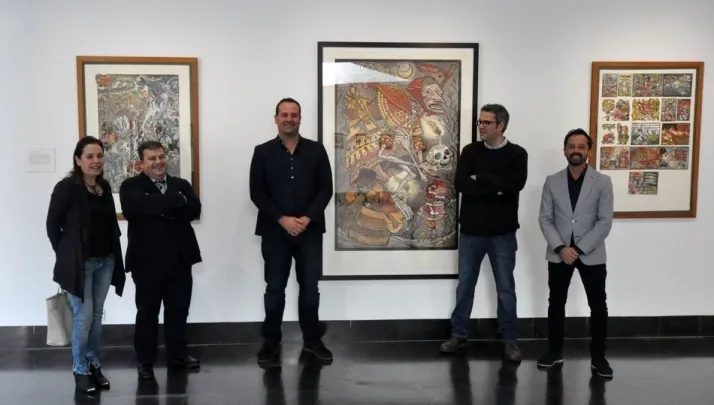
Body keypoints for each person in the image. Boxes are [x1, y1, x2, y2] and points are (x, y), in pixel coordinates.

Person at [439, 104, 528, 362]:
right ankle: (458, 334)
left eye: (487, 122)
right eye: (480, 121)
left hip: (502, 233)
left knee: (505, 288)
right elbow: (461, 183)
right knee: (465, 286)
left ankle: (510, 339)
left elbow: (515, 185)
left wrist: (481, 178)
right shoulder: (470, 151)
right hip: (471, 231)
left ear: (501, 126)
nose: (481, 126)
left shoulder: (517, 154)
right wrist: (495, 188)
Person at [249, 97, 334, 364]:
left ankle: (312, 341)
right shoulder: (262, 152)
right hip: (275, 233)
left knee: (310, 289)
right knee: (275, 289)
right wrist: (282, 219)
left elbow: (326, 189)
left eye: (293, 115)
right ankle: (271, 342)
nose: (289, 119)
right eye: (284, 114)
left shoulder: (317, 150)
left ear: (300, 118)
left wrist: (306, 218)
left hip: (310, 233)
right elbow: (256, 192)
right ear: (276, 118)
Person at [46, 136, 126, 393]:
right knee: (84, 317)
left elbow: (110, 225)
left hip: (106, 261)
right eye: (89, 156)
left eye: (99, 156)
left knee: (97, 316)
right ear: (78, 160)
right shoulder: (66, 188)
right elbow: (52, 225)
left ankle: (93, 364)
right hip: (80, 264)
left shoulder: (104, 187)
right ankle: (80, 368)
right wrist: (65, 254)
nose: (96, 161)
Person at [119, 140, 202, 379]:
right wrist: (174, 202)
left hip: (180, 259)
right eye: (152, 158)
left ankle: (178, 355)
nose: (158, 162)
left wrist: (156, 207)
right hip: (146, 262)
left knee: (178, 311)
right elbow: (135, 208)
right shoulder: (130, 186)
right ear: (141, 163)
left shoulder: (181, 184)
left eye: (161, 157)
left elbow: (194, 210)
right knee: (147, 313)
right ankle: (145, 361)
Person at [536, 128, 614, 378]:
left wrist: (578, 249)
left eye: (581, 146)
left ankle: (599, 358)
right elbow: (545, 218)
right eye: (572, 146)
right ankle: (554, 352)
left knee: (598, 306)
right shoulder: (552, 181)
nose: (576, 150)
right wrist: (561, 248)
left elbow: (604, 222)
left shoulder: (602, 182)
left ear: (589, 150)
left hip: (591, 253)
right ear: (565, 150)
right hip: (559, 253)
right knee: (556, 304)